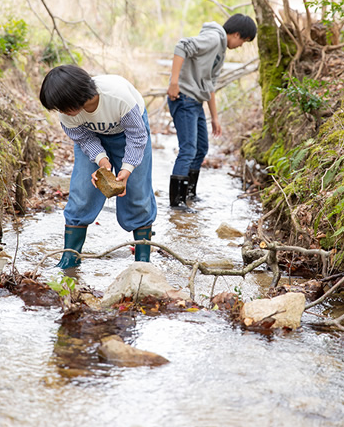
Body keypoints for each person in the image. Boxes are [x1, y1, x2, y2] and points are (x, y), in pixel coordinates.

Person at [39, 64, 157, 269]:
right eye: (58, 108)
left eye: (63, 106)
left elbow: (137, 137)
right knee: (82, 192)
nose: (62, 112)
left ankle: (143, 260)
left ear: (76, 96)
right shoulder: (67, 113)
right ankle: (70, 258)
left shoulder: (118, 98)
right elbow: (84, 139)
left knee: (137, 193)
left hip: (129, 133)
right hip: (92, 136)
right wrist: (102, 161)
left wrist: (127, 169)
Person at [167, 13, 257, 210]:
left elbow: (209, 85)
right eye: (243, 41)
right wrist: (174, 83)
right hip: (183, 97)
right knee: (188, 149)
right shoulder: (214, 38)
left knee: (201, 148)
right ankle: (177, 202)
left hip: (195, 101)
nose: (241, 46)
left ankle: (189, 194)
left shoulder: (220, 50)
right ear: (236, 34)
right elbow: (182, 46)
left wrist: (215, 117)